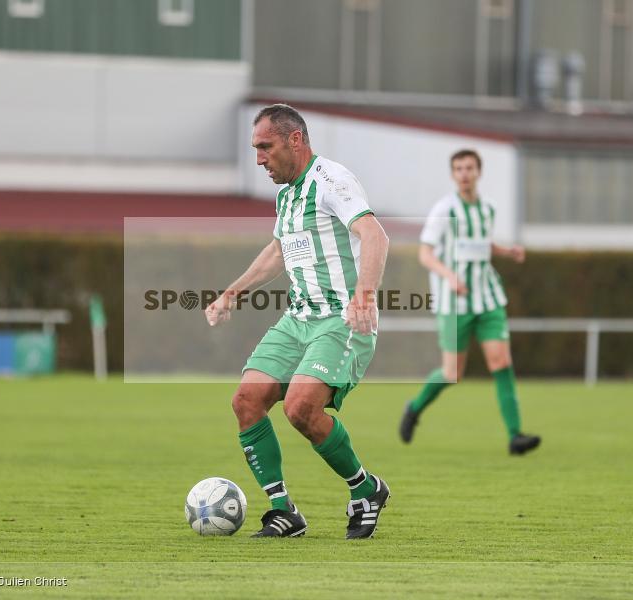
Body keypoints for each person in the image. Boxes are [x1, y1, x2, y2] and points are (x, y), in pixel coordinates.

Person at [205, 104, 391, 539]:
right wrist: (232, 291)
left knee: (300, 408)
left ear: (295, 139)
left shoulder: (331, 181)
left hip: (339, 319)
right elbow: (278, 252)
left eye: (265, 147)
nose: (258, 159)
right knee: (246, 402)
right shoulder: (287, 193)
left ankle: (365, 490)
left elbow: (374, 234)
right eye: (255, 149)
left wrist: (363, 296)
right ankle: (282, 511)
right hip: (298, 319)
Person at [398, 149, 541, 455]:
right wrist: (449, 276)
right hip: (454, 303)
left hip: (487, 297)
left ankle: (515, 436)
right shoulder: (444, 210)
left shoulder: (487, 208)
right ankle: (414, 407)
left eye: (469, 168)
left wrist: (507, 252)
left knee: (502, 362)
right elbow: (425, 253)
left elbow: (481, 244)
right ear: (453, 175)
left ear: (479, 172)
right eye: (458, 168)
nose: (464, 173)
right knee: (453, 373)